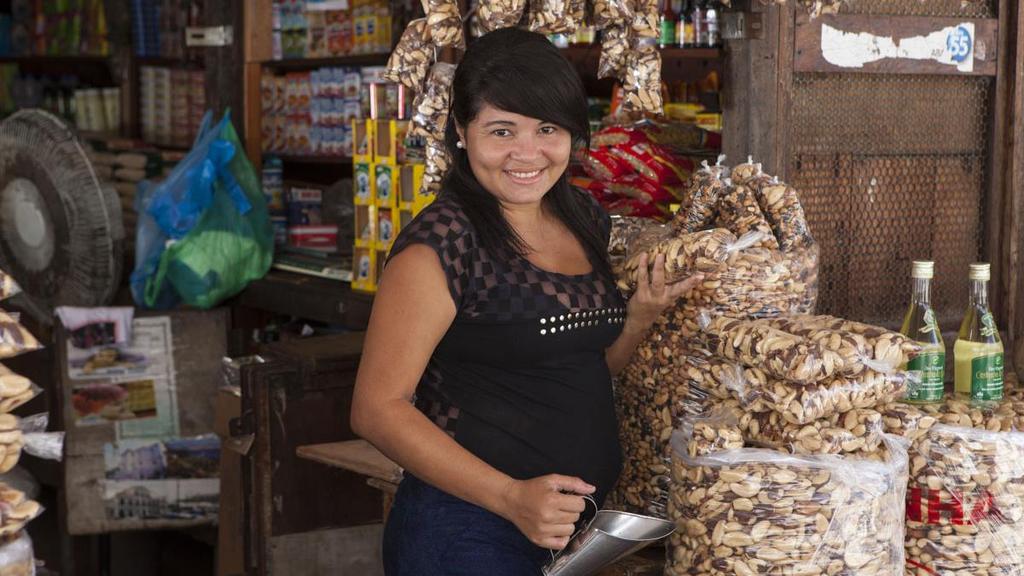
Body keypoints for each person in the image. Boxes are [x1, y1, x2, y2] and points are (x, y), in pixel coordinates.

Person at [351, 27, 700, 576]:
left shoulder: (582, 217)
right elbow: (377, 409)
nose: (527, 153)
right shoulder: (443, 243)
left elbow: (576, 366)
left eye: (547, 128)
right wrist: (511, 496)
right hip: (466, 530)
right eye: (501, 130)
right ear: (462, 133)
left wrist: (636, 319)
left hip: (565, 533)